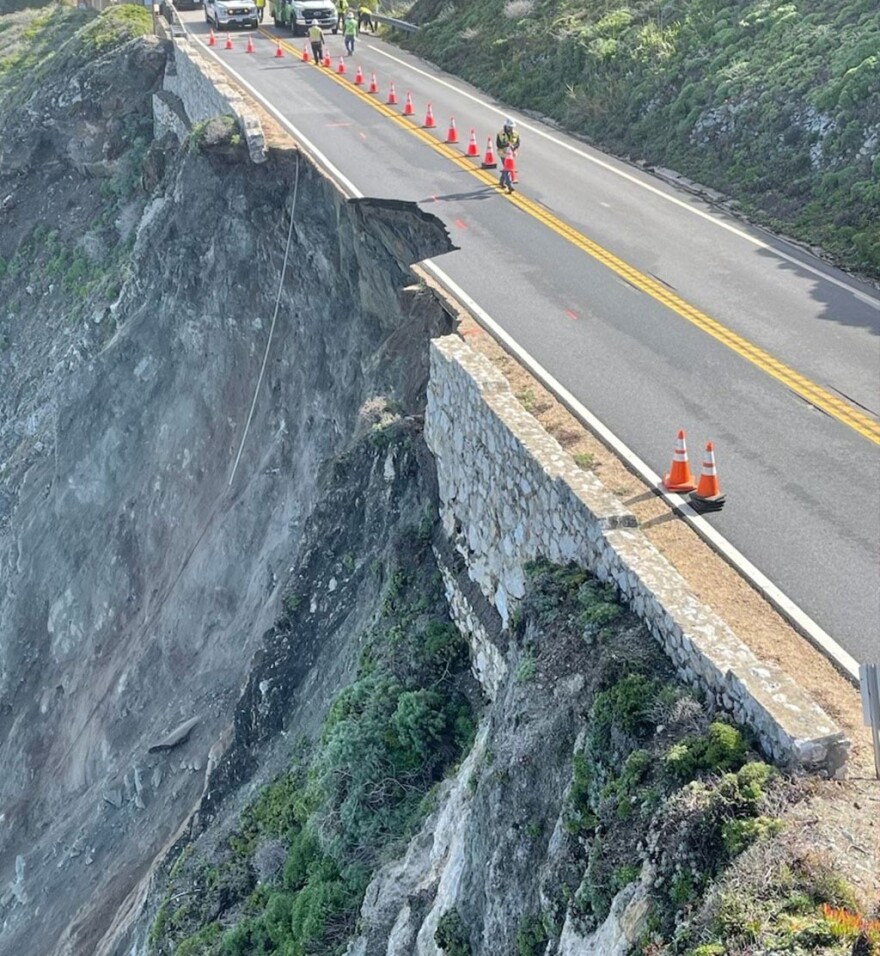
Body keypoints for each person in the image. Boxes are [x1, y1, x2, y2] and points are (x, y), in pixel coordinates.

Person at [496, 118, 520, 192]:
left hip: (511, 154)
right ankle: (509, 185)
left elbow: (518, 143)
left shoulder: (515, 133)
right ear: (506, 126)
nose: (510, 128)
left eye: (512, 127)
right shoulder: (500, 133)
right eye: (509, 127)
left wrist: (514, 147)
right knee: (507, 169)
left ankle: (501, 182)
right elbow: (498, 144)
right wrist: (507, 145)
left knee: (506, 168)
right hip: (503, 153)